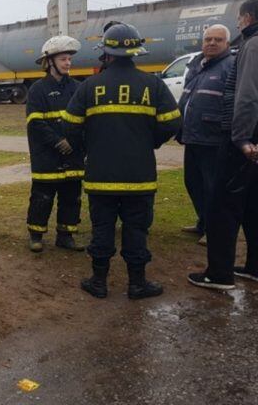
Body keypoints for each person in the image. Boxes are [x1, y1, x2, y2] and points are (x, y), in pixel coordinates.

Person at [64, 23, 181, 300]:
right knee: (137, 229)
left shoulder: (89, 86)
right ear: (135, 52)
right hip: (139, 175)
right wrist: (149, 141)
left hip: (100, 175)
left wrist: (89, 145)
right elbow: (173, 122)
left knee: (102, 228)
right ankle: (137, 284)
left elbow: (69, 126)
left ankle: (99, 282)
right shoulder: (153, 84)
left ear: (106, 53)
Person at [188, 0, 258, 290]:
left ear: (247, 18)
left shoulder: (251, 46)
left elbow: (247, 96)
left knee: (222, 208)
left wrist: (241, 139)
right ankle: (254, 267)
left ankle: (219, 273)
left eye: (240, 19)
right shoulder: (200, 64)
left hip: (240, 141)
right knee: (253, 204)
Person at [25, 35, 85, 253]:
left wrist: (74, 142)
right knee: (42, 197)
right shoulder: (37, 90)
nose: (68, 63)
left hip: (73, 155)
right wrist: (59, 141)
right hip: (47, 155)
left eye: (69, 59)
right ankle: (36, 235)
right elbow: (36, 123)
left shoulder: (78, 88)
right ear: (49, 62)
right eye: (63, 59)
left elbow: (85, 120)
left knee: (72, 198)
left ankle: (66, 236)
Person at [177, 25, 235, 246]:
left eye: (217, 40)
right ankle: (203, 222)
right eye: (208, 39)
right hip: (192, 135)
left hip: (214, 138)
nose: (211, 43)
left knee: (213, 186)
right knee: (193, 182)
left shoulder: (229, 66)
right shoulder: (198, 65)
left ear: (226, 44)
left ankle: (215, 229)